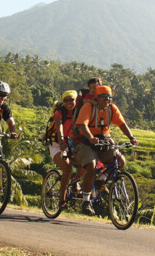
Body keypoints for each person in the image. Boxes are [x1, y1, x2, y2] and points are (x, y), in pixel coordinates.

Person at [72, 85, 139, 215]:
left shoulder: (112, 109)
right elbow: (82, 125)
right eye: (104, 97)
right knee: (91, 166)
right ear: (97, 98)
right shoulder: (89, 107)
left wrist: (131, 137)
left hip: (103, 141)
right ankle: (86, 201)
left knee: (120, 162)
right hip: (84, 141)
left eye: (109, 97)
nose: (107, 100)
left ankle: (100, 180)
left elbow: (122, 124)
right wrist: (91, 137)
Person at [49, 90, 78, 207]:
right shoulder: (59, 112)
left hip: (72, 144)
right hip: (57, 144)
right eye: (66, 100)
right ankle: (62, 199)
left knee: (87, 164)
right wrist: (61, 142)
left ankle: (74, 182)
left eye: (72, 100)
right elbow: (59, 126)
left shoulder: (79, 112)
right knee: (67, 168)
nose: (69, 102)